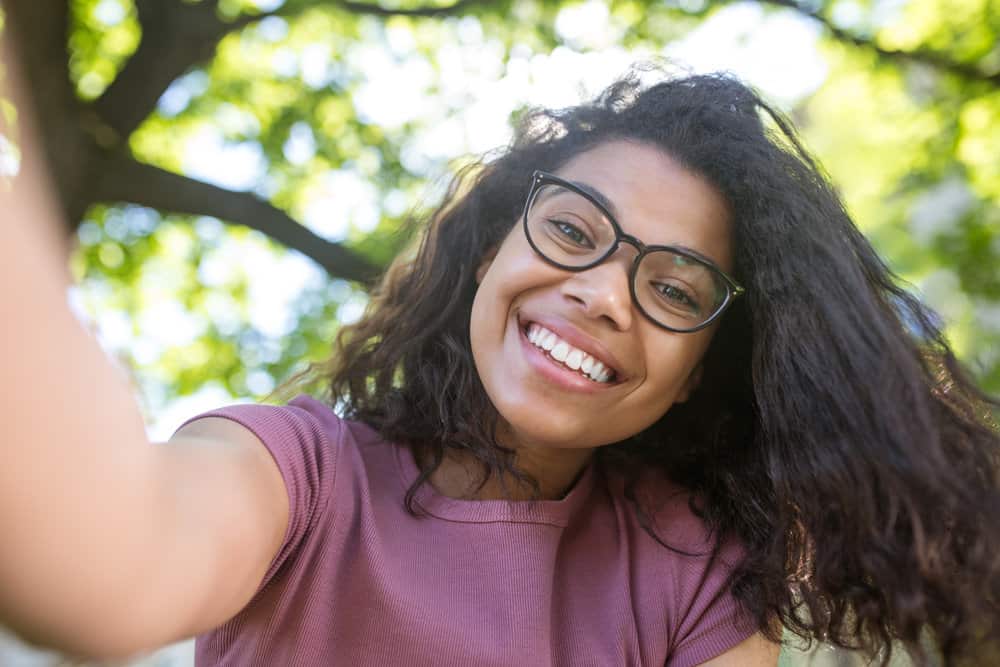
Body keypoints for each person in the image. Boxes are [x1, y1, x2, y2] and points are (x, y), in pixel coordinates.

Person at [2, 34, 998, 666]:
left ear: (702, 364)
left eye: (672, 288)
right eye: (571, 230)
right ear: (488, 250)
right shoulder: (296, 473)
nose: (604, 293)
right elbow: (103, 567)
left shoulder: (688, 569)